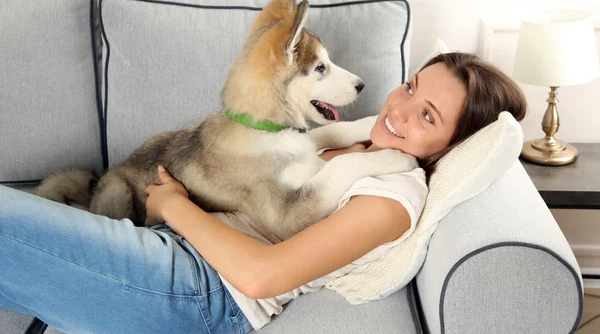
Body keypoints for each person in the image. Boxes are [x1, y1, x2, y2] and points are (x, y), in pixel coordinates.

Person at [0, 52, 527, 333]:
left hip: (198, 293)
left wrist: (176, 207)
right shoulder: (364, 139)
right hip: (174, 254)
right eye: (410, 86)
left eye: (427, 115)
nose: (399, 108)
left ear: (449, 146)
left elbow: (260, 277)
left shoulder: (393, 196)